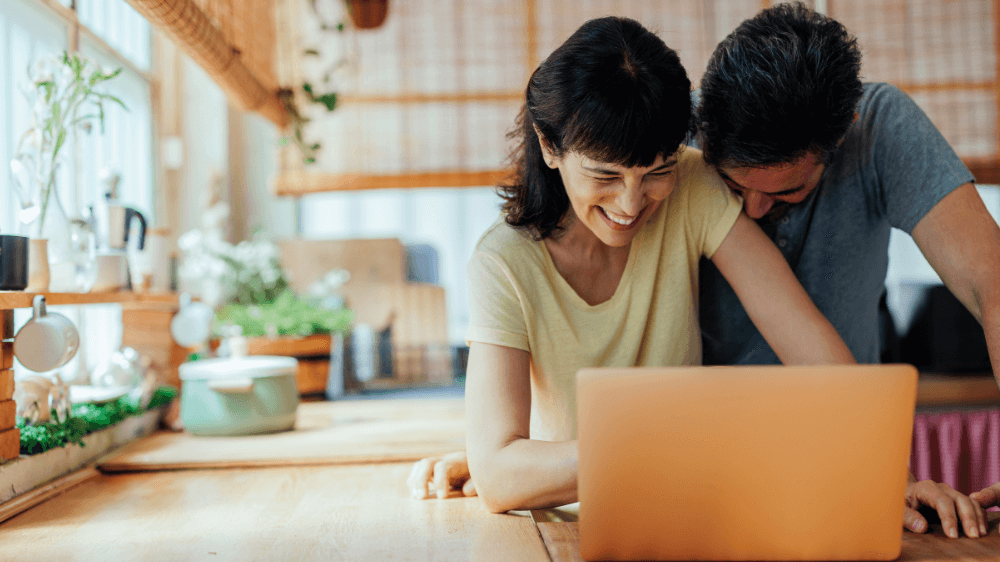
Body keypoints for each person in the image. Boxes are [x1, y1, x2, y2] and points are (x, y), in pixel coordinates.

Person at [408, 15, 856, 513]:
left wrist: (884, 474)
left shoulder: (691, 187)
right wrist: (668, 448)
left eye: (656, 171)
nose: (630, 203)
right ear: (549, 146)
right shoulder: (504, 263)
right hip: (575, 526)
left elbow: (810, 345)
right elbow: (499, 476)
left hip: (692, 510)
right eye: (605, 174)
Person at [694, 2, 1000, 539]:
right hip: (696, 464)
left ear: (842, 136)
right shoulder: (674, 139)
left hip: (848, 461)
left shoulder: (880, 126)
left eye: (786, 190)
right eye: (732, 186)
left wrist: (885, 473)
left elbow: (991, 283)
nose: (752, 212)